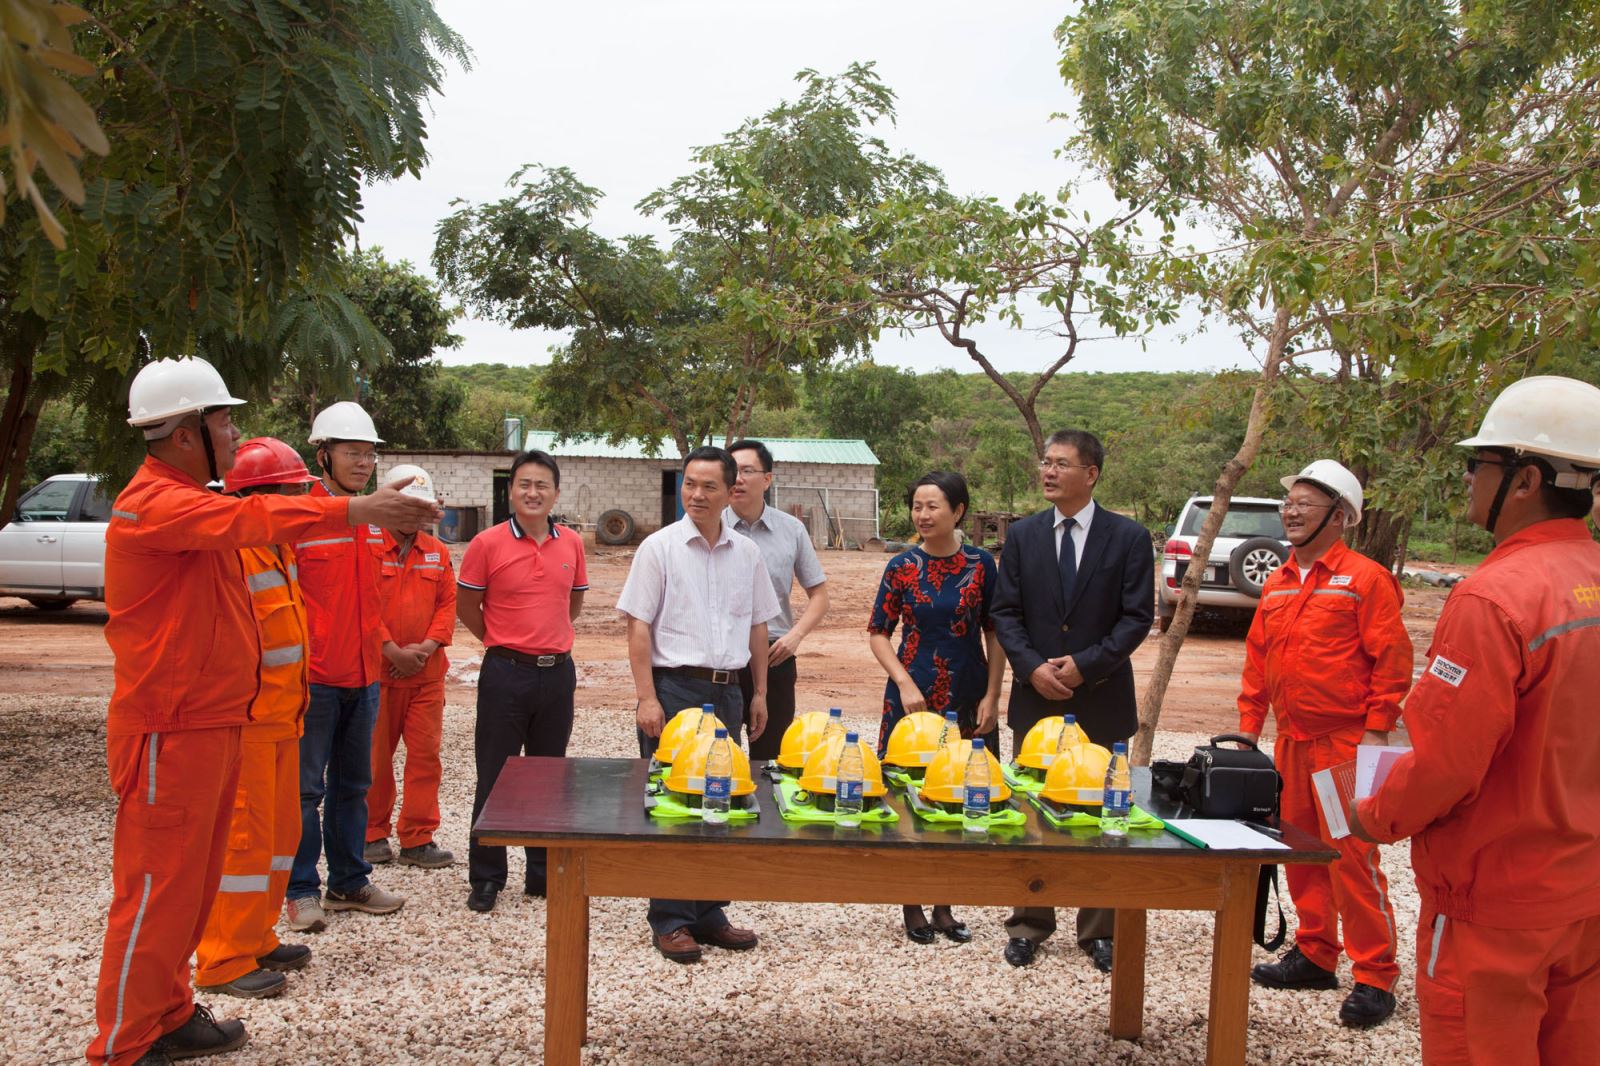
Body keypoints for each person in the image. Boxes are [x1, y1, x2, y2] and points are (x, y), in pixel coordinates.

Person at [88, 357, 439, 1065]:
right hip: (170, 731)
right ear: (186, 432)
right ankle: (122, 1044)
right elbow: (252, 515)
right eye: (223, 419)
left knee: (189, 888)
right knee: (157, 891)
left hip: (217, 724)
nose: (235, 429)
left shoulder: (191, 500)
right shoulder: (154, 503)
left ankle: (169, 1009)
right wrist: (354, 507)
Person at [1351, 376, 1600, 1065]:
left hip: (1497, 904)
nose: (1466, 480)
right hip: (1584, 894)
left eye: (1477, 465)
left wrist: (1373, 816)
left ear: (1525, 479)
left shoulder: (1494, 598)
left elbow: (1445, 764)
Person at [1238, 460, 1412, 1028]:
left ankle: (1375, 976)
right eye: (1288, 504)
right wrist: (1248, 727)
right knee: (1302, 852)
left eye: (1304, 506)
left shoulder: (1365, 579)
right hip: (1292, 741)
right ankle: (1315, 953)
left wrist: (1378, 729)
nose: (1290, 512)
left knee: (1353, 859)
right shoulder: (1279, 580)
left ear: (1339, 517)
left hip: (1344, 745)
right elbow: (1258, 661)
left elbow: (1392, 658)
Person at [991, 428, 1154, 971]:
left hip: (1101, 697)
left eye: (1061, 463)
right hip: (1036, 698)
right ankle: (1030, 922)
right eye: (1046, 461)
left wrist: (1084, 666)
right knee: (1033, 810)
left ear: (1092, 474)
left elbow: (1138, 617)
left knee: (1104, 813)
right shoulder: (1023, 536)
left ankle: (1100, 929)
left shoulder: (1129, 537)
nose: (1049, 471)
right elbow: (1005, 613)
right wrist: (1032, 667)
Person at [615, 445, 780, 963]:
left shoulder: (747, 554)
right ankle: (669, 918)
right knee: (672, 803)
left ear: (731, 490)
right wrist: (646, 697)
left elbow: (758, 625)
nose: (696, 494)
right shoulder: (659, 548)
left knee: (723, 798)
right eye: (689, 483)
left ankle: (709, 911)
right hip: (675, 690)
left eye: (708, 486)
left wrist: (759, 692)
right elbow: (637, 625)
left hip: (727, 689)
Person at [191, 439, 319, 1003]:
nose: (299, 505)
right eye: (292, 495)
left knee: (278, 837)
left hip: (283, 718)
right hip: (247, 723)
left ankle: (256, 935)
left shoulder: (276, 549)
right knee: (243, 842)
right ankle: (221, 958)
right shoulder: (235, 554)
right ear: (260, 499)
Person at [868, 470, 1003, 946]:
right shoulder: (901, 565)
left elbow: (994, 631)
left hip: (968, 691)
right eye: (917, 506)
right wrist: (902, 682)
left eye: (933, 506)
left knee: (961, 795)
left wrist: (993, 695)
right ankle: (911, 902)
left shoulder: (982, 565)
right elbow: (878, 632)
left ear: (959, 511)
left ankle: (945, 904)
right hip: (912, 691)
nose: (923, 515)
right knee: (907, 794)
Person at [286, 401, 403, 933]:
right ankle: (300, 889)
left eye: (369, 453)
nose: (363, 462)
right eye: (352, 452)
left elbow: (374, 604)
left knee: (354, 783)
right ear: (323, 454)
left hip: (364, 676)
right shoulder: (304, 516)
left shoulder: (374, 522)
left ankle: (349, 881)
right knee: (306, 790)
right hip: (314, 680)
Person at [458, 449, 588, 913]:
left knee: (548, 776)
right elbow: (468, 608)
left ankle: (541, 874)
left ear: (555, 493)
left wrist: (547, 642)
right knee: (494, 774)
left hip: (557, 675)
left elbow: (571, 605)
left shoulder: (571, 542)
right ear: (510, 490)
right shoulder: (486, 544)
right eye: (523, 484)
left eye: (542, 485)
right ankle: (487, 877)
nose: (532, 493)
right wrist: (504, 642)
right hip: (504, 674)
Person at [364, 464, 457, 873]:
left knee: (425, 757)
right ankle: (371, 834)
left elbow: (447, 605)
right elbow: (361, 604)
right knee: (373, 760)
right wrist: (390, 651)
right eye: (405, 505)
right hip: (378, 675)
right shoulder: (365, 546)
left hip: (426, 676)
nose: (413, 514)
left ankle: (418, 837)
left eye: (421, 507)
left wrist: (424, 648)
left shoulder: (438, 553)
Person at [725, 439, 830, 760]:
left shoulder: (791, 530)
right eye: (732, 471)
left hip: (774, 656)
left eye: (747, 471)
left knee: (771, 758)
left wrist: (794, 637)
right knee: (718, 758)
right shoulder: (709, 528)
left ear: (767, 479)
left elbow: (819, 595)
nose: (738, 478)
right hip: (721, 657)